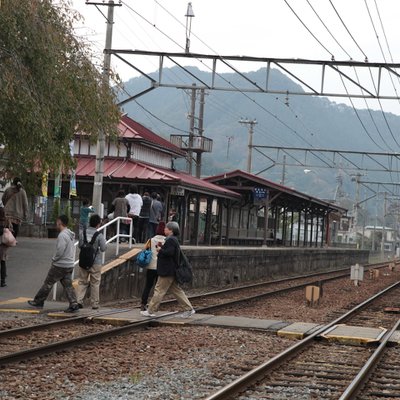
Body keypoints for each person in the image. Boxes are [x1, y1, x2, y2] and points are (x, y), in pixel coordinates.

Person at [141, 222, 195, 319]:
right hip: (171, 270)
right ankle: (189, 309)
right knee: (177, 290)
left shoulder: (171, 240)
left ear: (170, 230)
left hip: (167, 270)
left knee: (159, 290)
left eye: (166, 228)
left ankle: (150, 310)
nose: (164, 229)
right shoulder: (173, 240)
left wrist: (160, 250)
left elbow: (169, 253)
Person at [28, 215, 79, 313]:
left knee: (48, 283)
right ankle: (74, 304)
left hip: (60, 265)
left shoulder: (62, 235)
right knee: (68, 285)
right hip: (69, 264)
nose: (56, 223)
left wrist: (54, 258)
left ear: (60, 222)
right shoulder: (70, 234)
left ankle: (38, 301)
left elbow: (60, 250)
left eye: (57, 222)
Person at [76, 214, 107, 310]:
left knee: (82, 281)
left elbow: (80, 245)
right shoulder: (99, 235)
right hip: (95, 262)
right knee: (95, 283)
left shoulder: (83, 232)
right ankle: (94, 303)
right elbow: (103, 248)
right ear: (98, 224)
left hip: (83, 261)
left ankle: (78, 301)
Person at [140, 221, 166, 311]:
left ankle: (143, 303)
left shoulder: (151, 240)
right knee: (158, 288)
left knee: (148, 285)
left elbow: (145, 249)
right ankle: (154, 305)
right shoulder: (167, 241)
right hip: (161, 267)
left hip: (151, 266)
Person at [0, 208, 11, 287]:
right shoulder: (6, 220)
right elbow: (12, 230)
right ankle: (3, 281)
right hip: (3, 244)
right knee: (3, 262)